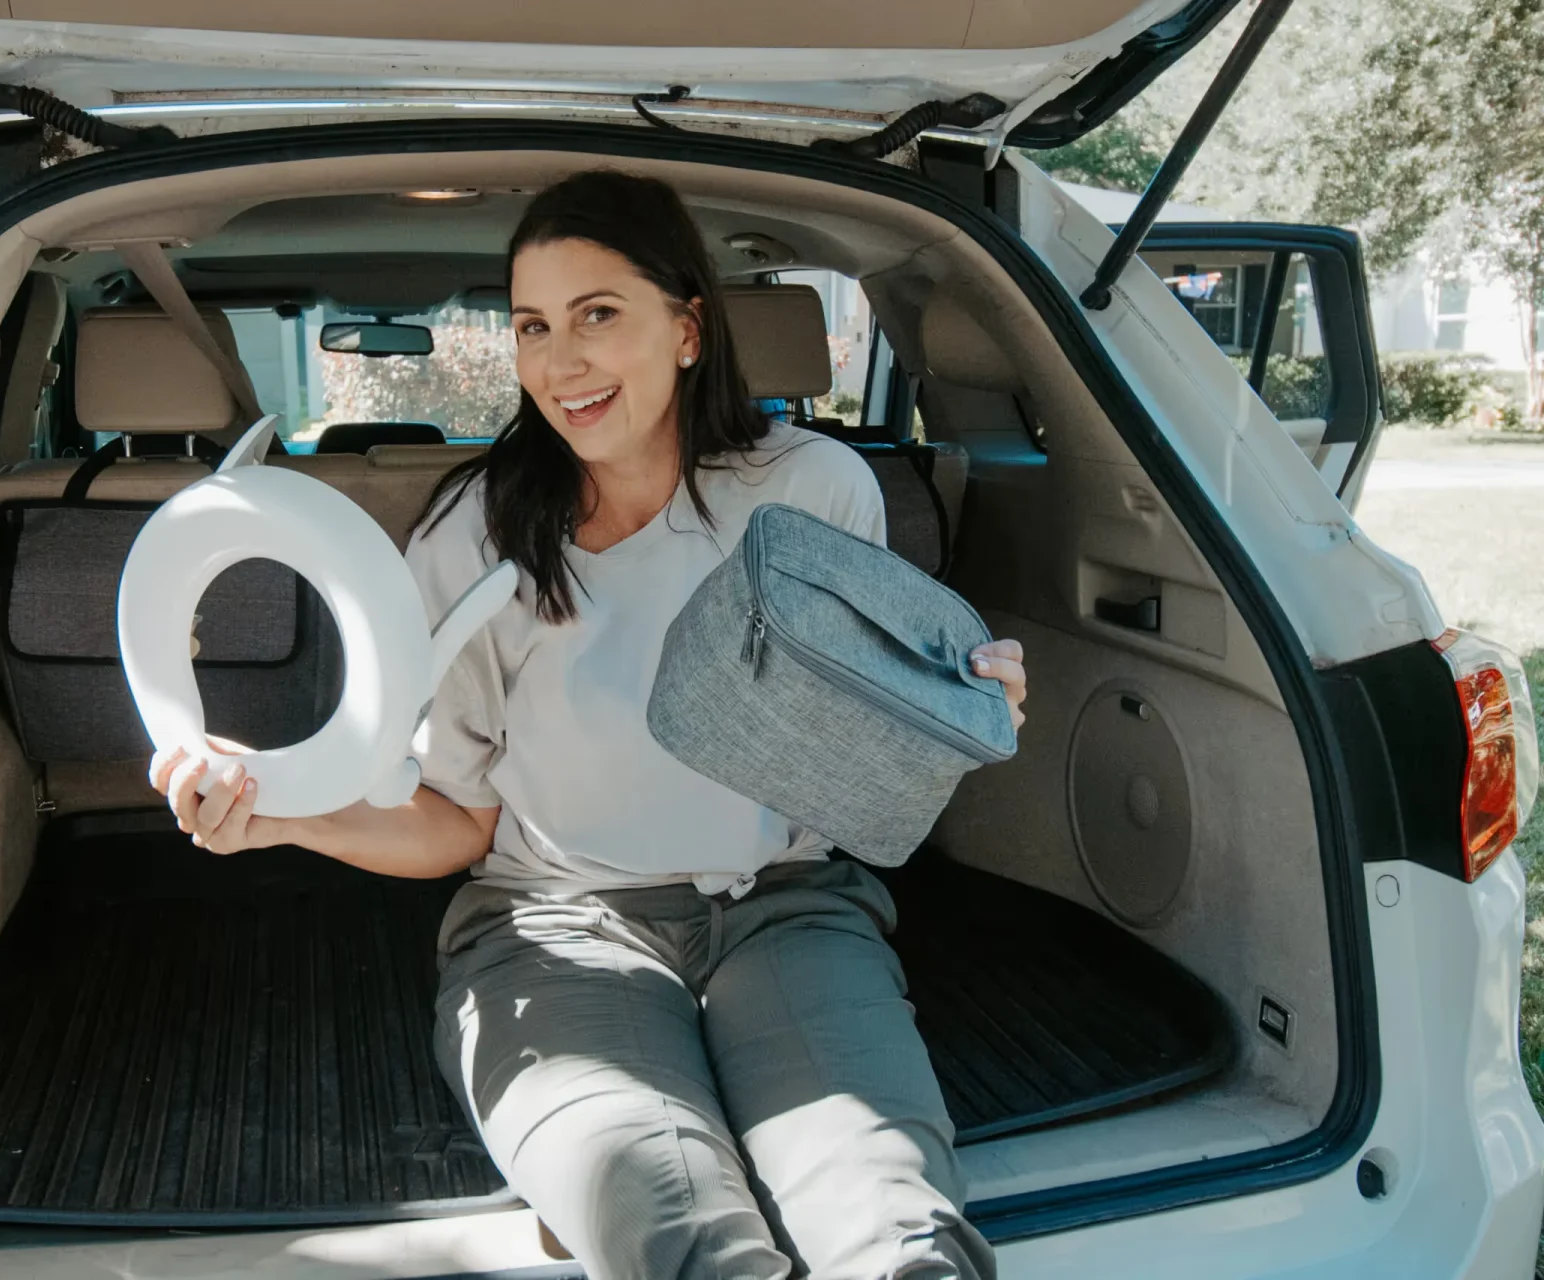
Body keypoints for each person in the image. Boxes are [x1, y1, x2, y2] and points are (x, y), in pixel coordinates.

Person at [152, 170, 1026, 1279]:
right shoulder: (475, 536)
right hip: (555, 930)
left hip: (788, 913)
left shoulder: (813, 490)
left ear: (688, 328)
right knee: (687, 1242)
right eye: (531, 326)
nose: (559, 362)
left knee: (899, 1236)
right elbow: (456, 821)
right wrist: (276, 815)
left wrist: (961, 703)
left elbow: (852, 748)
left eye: (597, 314)